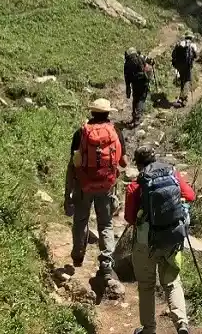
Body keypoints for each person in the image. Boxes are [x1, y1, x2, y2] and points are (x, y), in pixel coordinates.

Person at [125, 146, 196, 334]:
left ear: (138, 164)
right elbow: (190, 195)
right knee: (172, 282)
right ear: (155, 158)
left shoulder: (136, 185)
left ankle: (149, 330)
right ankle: (181, 323)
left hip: (146, 243)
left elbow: (129, 218)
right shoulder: (173, 174)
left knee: (146, 286)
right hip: (172, 237)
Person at [65, 99, 127, 290]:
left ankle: (78, 255)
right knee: (106, 223)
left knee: (81, 220)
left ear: (92, 113)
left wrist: (68, 191)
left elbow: (74, 161)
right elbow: (123, 161)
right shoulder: (115, 132)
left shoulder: (81, 132)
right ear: (108, 113)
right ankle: (106, 262)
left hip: (84, 185)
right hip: (105, 186)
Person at [170, 33, 199, 108]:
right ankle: (181, 99)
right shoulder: (192, 45)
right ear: (191, 38)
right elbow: (196, 55)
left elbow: (173, 55)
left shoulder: (180, 44)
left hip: (178, 65)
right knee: (187, 81)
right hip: (187, 65)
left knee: (183, 80)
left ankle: (184, 99)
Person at [124, 48, 151, 127]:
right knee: (141, 99)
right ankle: (138, 118)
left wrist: (128, 88)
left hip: (134, 83)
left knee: (135, 98)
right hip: (143, 82)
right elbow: (147, 67)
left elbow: (126, 77)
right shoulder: (140, 58)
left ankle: (134, 117)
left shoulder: (127, 63)